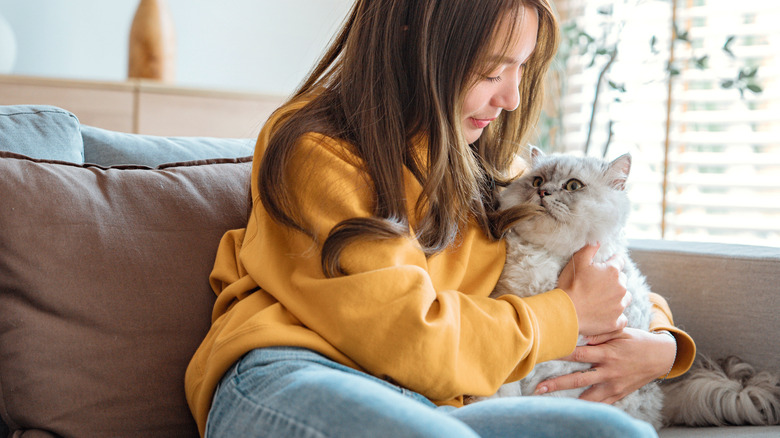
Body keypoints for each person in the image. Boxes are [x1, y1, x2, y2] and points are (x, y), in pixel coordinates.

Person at [185, 1, 695, 436]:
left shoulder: (497, 170)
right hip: (299, 368)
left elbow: (607, 272)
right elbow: (408, 333)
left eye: (520, 69)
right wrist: (567, 315)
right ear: (415, 43)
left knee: (614, 432)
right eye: (492, 71)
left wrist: (659, 348)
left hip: (441, 398)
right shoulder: (316, 150)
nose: (511, 98)